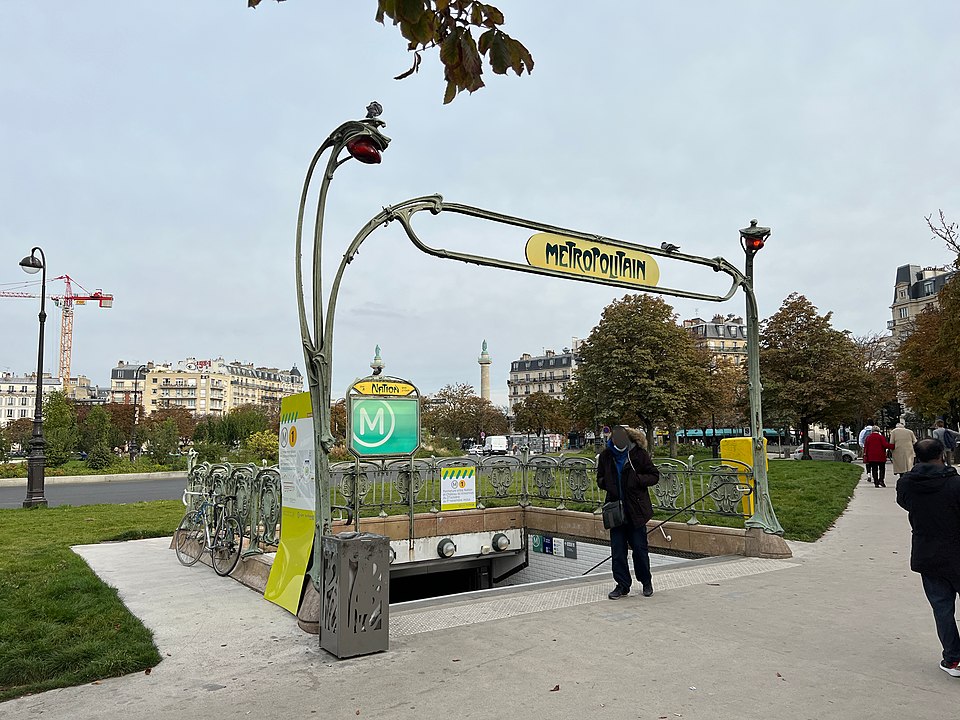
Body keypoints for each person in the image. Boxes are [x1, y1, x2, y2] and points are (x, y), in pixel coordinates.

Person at [896, 438, 960, 677]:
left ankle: (953, 659)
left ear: (917, 456)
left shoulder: (906, 484)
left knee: (942, 608)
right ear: (942, 454)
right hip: (957, 550)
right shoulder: (955, 484)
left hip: (928, 553)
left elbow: (905, 504)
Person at [597, 425, 660, 600]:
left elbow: (654, 475)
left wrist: (637, 479)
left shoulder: (639, 454)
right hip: (615, 510)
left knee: (639, 549)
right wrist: (607, 483)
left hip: (635, 509)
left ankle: (646, 582)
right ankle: (622, 585)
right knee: (618, 551)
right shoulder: (606, 456)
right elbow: (599, 478)